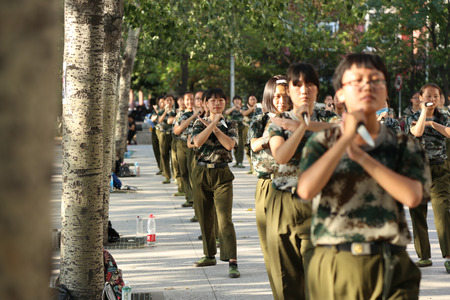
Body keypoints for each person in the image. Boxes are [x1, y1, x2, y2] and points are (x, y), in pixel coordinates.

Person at [297, 53, 431, 299]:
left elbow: (413, 197)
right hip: (334, 263)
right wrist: (345, 138)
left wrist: (361, 157)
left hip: (391, 264)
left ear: (385, 91)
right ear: (340, 94)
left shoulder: (403, 145)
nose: (367, 86)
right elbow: (306, 189)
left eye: (375, 80)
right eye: (356, 81)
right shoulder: (322, 143)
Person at [266, 63, 338, 300]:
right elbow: (281, 156)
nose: (304, 89)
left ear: (317, 88)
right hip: (283, 202)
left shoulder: (331, 116)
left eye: (309, 84)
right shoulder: (278, 120)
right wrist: (302, 128)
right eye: (297, 84)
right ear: (288, 90)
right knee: (285, 280)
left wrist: (300, 125)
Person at [248, 75, 292, 296]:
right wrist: (274, 135)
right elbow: (254, 144)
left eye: (286, 94)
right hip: (268, 186)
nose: (282, 99)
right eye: (277, 95)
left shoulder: (300, 119)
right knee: (271, 251)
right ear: (269, 96)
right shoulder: (260, 119)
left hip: (294, 188)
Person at [191, 88, 240, 279]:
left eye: (220, 100)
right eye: (212, 100)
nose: (216, 103)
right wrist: (211, 123)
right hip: (201, 172)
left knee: (224, 219)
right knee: (205, 217)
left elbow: (229, 145)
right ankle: (209, 255)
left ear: (225, 102)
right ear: (205, 104)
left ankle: (232, 260)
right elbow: (197, 141)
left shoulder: (232, 123)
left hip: (222, 174)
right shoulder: (197, 122)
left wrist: (217, 126)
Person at [406, 83, 450, 273]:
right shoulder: (412, 117)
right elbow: (417, 132)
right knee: (417, 213)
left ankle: (448, 256)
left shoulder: (446, 117)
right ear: (421, 98)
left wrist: (434, 123)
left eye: (435, 96)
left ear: (440, 99)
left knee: (443, 212)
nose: (431, 99)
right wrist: (424, 115)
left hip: (440, 170)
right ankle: (424, 256)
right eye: (428, 96)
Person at [173, 91, 200, 205]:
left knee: (193, 171)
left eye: (192, 99)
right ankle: (188, 195)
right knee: (184, 171)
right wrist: (193, 116)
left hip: (195, 145)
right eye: (187, 100)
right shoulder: (181, 114)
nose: (190, 101)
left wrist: (196, 115)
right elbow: (178, 130)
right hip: (182, 143)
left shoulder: (201, 112)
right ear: (183, 101)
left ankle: (193, 198)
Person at [156, 94, 177, 184]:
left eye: (170, 100)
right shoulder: (161, 111)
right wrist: (165, 111)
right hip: (164, 134)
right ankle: (167, 176)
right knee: (164, 155)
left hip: (173, 135)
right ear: (164, 102)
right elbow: (160, 120)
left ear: (173, 101)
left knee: (174, 156)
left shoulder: (176, 111)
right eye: (167, 100)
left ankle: (176, 177)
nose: (169, 102)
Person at [242, 95, 262, 174]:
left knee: (254, 148)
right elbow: (244, 113)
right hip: (246, 128)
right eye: (251, 99)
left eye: (254, 99)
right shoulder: (245, 107)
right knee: (247, 148)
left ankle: (255, 168)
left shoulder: (259, 108)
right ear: (248, 101)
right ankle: (251, 167)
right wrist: (252, 108)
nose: (252, 100)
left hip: (256, 130)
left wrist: (255, 108)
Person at [225, 95, 245, 168]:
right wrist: (234, 107)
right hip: (233, 128)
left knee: (240, 145)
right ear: (233, 101)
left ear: (241, 101)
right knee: (235, 145)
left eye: (238, 100)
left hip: (241, 128)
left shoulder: (243, 108)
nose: (237, 101)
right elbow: (226, 112)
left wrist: (239, 109)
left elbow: (244, 113)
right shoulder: (232, 109)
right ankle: (237, 161)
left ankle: (240, 162)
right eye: (235, 100)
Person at [151, 97, 165, 175]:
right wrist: (157, 113)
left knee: (163, 150)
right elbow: (152, 119)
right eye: (160, 102)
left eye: (163, 102)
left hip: (163, 131)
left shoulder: (167, 111)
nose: (161, 104)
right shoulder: (155, 111)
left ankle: (164, 169)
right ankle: (160, 167)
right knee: (156, 149)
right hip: (155, 130)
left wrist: (157, 112)